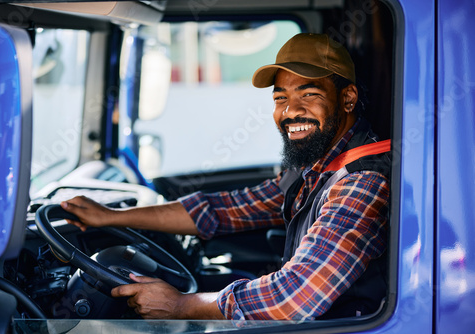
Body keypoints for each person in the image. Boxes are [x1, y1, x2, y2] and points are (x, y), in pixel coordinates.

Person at [61, 33, 391, 322]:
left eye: (309, 94)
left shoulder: (361, 182)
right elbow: (225, 209)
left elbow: (293, 297)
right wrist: (112, 217)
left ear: (348, 98)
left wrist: (180, 306)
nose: (290, 111)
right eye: (280, 98)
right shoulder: (316, 166)